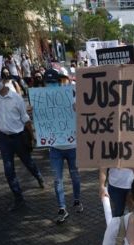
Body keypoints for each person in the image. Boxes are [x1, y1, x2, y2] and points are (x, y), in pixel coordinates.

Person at [0, 75, 45, 212]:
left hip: (19, 137)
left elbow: (25, 118)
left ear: (5, 81)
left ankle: (38, 176)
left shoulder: (16, 98)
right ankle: (18, 198)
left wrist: (32, 137)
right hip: (4, 138)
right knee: (8, 169)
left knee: (28, 162)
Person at [43, 68, 82, 223]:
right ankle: (62, 208)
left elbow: (82, 116)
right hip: (55, 148)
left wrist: (76, 109)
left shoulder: (72, 96)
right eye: (48, 82)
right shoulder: (42, 99)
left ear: (59, 82)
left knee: (75, 176)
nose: (51, 85)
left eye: (53, 82)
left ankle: (77, 200)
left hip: (72, 146)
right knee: (57, 179)